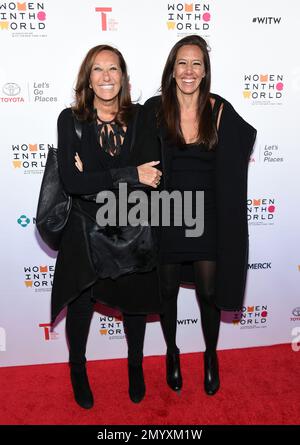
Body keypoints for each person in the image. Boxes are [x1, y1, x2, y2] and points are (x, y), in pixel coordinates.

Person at [138, 35, 257, 396]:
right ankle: (172, 353)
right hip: (167, 213)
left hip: (207, 214)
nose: (189, 71)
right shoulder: (155, 109)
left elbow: (245, 139)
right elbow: (133, 150)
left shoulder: (218, 109)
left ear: (205, 71)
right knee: (167, 291)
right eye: (182, 63)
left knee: (208, 291)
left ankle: (209, 355)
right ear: (172, 70)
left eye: (196, 64)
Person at [51, 44, 162, 408]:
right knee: (81, 301)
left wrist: (98, 177)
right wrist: (128, 174)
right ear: (88, 78)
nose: (106, 77)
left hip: (130, 224)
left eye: (113, 69)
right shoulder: (70, 120)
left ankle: (135, 365)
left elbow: (153, 175)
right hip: (84, 225)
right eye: (97, 70)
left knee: (134, 301)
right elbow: (72, 182)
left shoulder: (142, 117)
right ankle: (78, 368)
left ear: (124, 77)